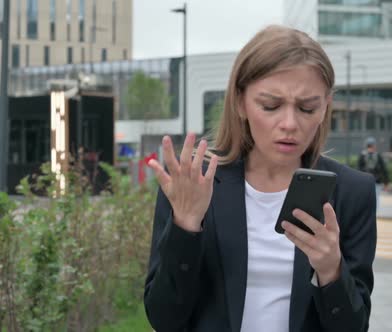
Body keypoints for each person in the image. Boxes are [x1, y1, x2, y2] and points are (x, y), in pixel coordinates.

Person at [144, 25, 376, 332]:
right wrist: (186, 228)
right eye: (271, 106)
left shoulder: (351, 193)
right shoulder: (195, 184)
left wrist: (331, 271)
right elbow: (164, 318)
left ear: (325, 108)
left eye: (308, 108)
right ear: (240, 102)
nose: (290, 123)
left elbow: (353, 327)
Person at [357, 137, 389, 209]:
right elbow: (384, 170)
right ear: (374, 145)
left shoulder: (362, 155)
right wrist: (386, 183)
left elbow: (358, 170)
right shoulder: (378, 155)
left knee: (365, 199)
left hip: (364, 182)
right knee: (376, 199)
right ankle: (374, 216)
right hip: (376, 181)